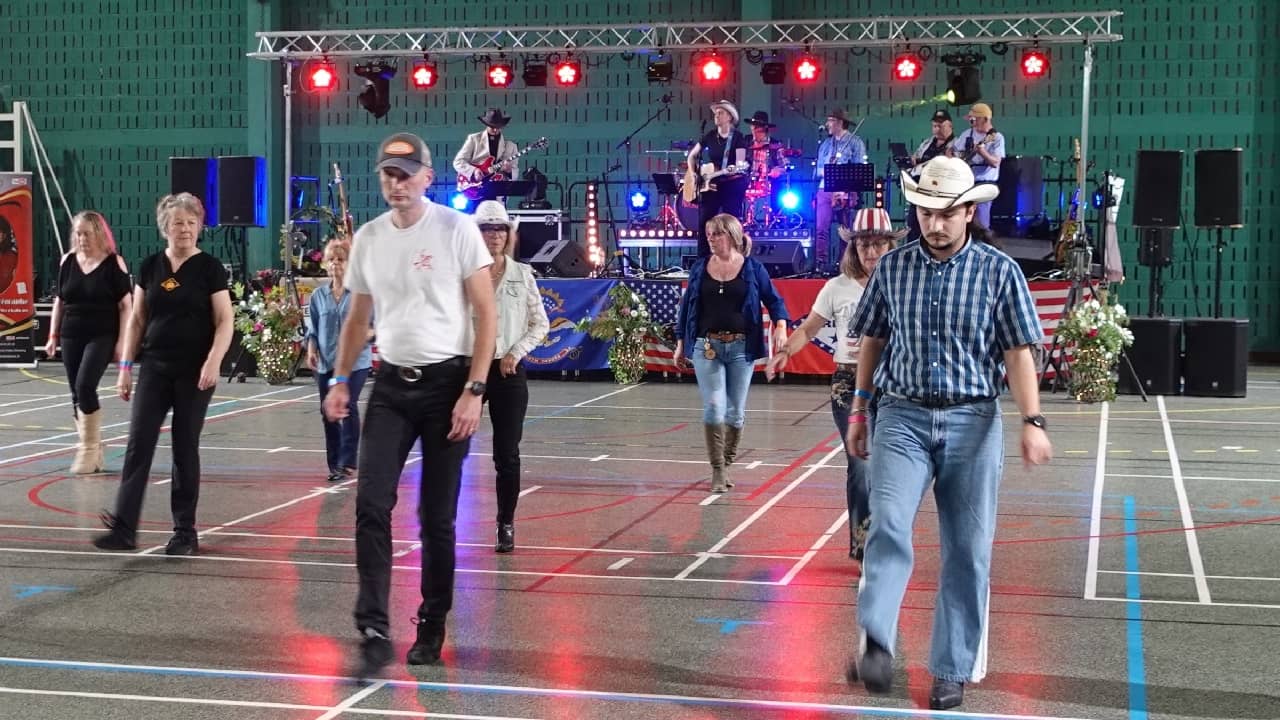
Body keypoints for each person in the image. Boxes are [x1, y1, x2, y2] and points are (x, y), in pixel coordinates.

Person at [845, 157, 1052, 710]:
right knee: (887, 526)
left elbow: (1017, 351)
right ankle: (877, 640)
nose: (933, 224)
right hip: (901, 418)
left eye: (946, 213)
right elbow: (873, 340)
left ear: (969, 211)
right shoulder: (892, 269)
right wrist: (861, 409)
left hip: (974, 422)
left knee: (967, 551)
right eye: (925, 212)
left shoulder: (999, 271)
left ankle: (951, 669)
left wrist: (1031, 421)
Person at [324, 132, 496, 676]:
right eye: (388, 174)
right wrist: (340, 378)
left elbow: (486, 315)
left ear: (427, 177)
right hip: (390, 387)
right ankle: (373, 621)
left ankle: (432, 623)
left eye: (406, 174)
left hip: (448, 387)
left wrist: (474, 390)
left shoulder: (456, 229)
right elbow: (357, 318)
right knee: (371, 503)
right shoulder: (371, 239)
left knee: (436, 518)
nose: (396, 183)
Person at [92, 193, 234, 556]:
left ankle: (185, 532)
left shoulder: (209, 268)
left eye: (190, 222)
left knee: (184, 447)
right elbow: (137, 319)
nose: (183, 228)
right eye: (176, 223)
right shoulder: (150, 265)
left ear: (199, 226)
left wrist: (214, 361)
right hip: (155, 366)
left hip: (194, 371)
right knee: (139, 444)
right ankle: (124, 528)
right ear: (164, 228)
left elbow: (224, 321)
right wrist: (125, 366)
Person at [765, 208, 902, 560]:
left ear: (890, 245)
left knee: (893, 467)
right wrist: (786, 353)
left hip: (894, 383)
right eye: (863, 246)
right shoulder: (836, 288)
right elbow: (809, 328)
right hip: (848, 383)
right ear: (852, 249)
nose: (871, 253)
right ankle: (862, 546)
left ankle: (888, 537)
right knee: (861, 463)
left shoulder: (903, 283)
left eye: (878, 245)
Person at [673, 213, 788, 493]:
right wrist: (680, 343)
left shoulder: (753, 269)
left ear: (732, 236)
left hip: (741, 348)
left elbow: (774, 301)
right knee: (714, 407)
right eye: (709, 234)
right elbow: (687, 308)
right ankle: (717, 470)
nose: (711, 239)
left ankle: (727, 461)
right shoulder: (700, 268)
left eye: (717, 234)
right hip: (706, 346)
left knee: (735, 413)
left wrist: (781, 326)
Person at [472, 200, 550, 553]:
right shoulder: (465, 274)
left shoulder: (522, 274)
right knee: (450, 444)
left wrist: (517, 352)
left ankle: (506, 523)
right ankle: (443, 517)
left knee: (507, 454)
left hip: (508, 369)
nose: (494, 236)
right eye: (487, 229)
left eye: (500, 229)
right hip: (471, 368)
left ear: (508, 234)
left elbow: (541, 323)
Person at [44, 211, 132, 474]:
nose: (82, 238)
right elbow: (59, 301)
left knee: (85, 385)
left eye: (87, 233)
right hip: (72, 333)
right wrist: (52, 336)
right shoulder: (67, 261)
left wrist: (122, 343)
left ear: (99, 233)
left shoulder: (114, 263)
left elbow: (126, 306)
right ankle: (90, 447)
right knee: (75, 392)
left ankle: (89, 449)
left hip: (102, 333)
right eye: (78, 234)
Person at [306, 238, 374, 483]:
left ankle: (348, 461)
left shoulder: (360, 295)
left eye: (341, 260)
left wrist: (364, 334)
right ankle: (334, 463)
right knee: (328, 412)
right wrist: (311, 350)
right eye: (331, 260)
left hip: (356, 361)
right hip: (326, 361)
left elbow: (373, 325)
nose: (336, 264)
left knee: (349, 405)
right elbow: (312, 328)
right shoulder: (317, 296)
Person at [684, 100, 751, 257]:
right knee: (704, 222)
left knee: (731, 222)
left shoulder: (738, 138)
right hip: (710, 186)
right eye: (716, 113)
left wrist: (736, 167)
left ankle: (733, 257)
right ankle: (703, 260)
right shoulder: (710, 136)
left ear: (729, 117)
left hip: (732, 185)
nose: (716, 116)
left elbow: (741, 163)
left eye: (720, 113)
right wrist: (693, 172)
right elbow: (692, 155)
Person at [813, 108, 867, 274]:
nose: (828, 124)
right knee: (821, 227)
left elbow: (860, 168)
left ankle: (844, 264)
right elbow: (817, 171)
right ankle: (820, 263)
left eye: (831, 120)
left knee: (846, 229)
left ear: (839, 122)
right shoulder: (826, 144)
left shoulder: (855, 142)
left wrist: (842, 173)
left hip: (846, 189)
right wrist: (829, 169)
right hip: (825, 189)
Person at [948, 103, 1005, 229]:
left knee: (981, 222)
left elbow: (996, 162)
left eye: (974, 119)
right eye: (970, 119)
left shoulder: (996, 138)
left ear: (985, 119)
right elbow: (955, 150)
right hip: (966, 182)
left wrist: (982, 152)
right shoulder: (967, 133)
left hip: (983, 184)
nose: (972, 121)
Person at [906, 109, 956, 240]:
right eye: (934, 126)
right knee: (913, 225)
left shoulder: (955, 144)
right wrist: (913, 160)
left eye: (941, 126)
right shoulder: (927, 142)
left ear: (950, 126)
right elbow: (916, 157)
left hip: (939, 190)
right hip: (919, 187)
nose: (937, 129)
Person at [453, 108, 519, 196]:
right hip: (473, 186)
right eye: (492, 127)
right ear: (487, 125)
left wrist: (509, 171)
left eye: (498, 127)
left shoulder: (511, 147)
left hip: (496, 191)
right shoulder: (474, 139)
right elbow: (458, 162)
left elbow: (515, 173)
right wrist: (474, 171)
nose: (495, 130)